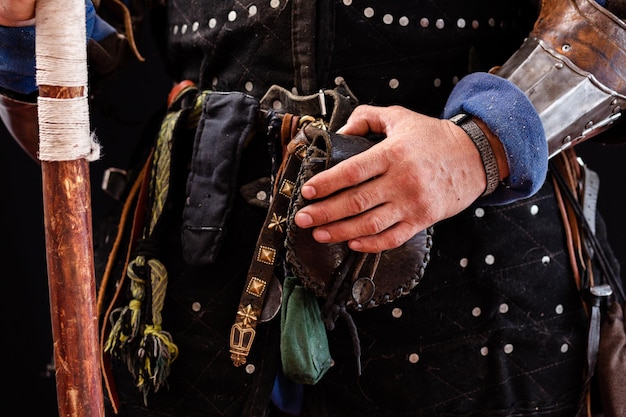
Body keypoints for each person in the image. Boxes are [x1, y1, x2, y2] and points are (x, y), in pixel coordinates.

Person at [1, 1, 624, 416]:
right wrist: (25, 30)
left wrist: (482, 144)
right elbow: (96, 44)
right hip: (197, 277)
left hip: (481, 279)